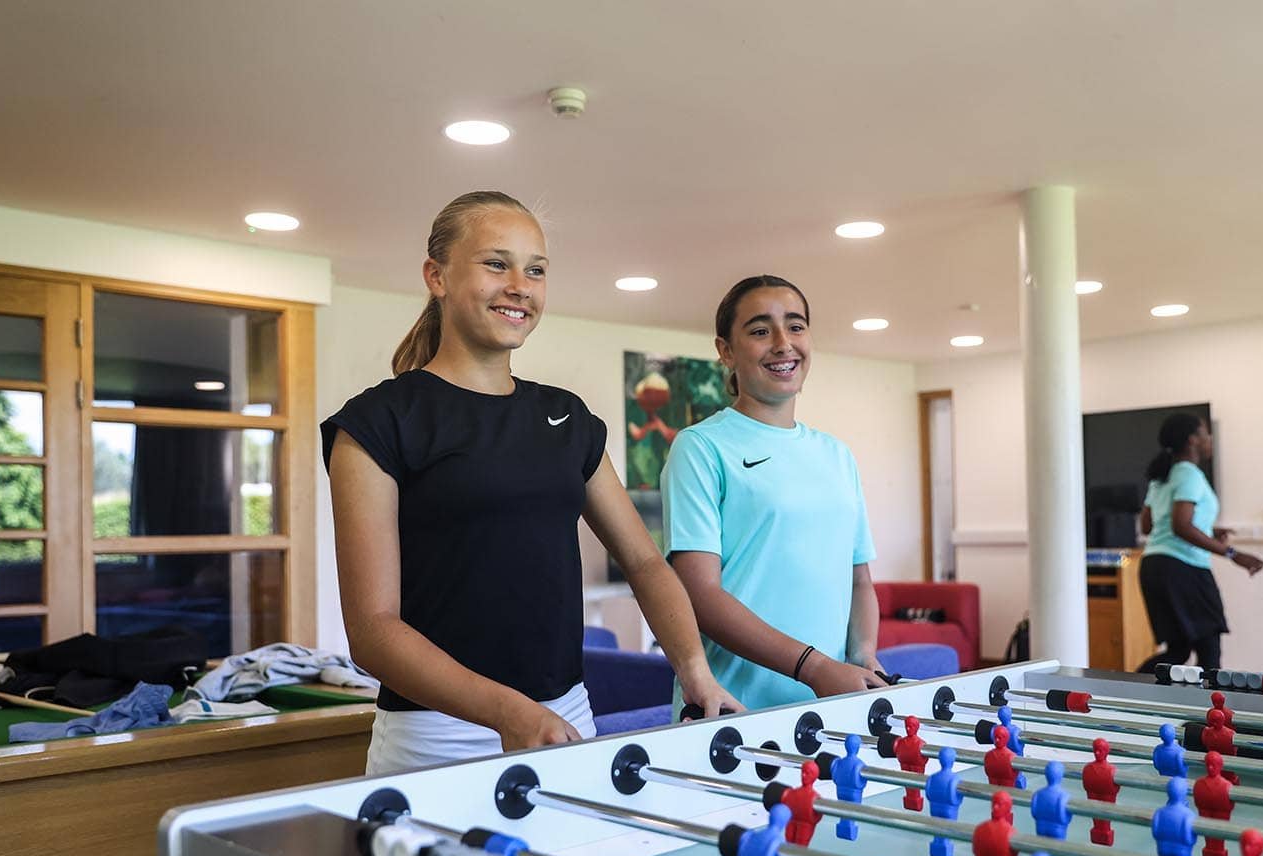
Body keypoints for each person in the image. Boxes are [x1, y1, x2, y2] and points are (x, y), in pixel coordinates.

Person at [323, 191, 741, 775]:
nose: (520, 284)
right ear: (436, 276)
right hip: (437, 740)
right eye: (497, 263)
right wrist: (508, 713)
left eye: (536, 269)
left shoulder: (568, 419)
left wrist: (695, 672)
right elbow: (373, 631)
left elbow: (645, 565)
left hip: (567, 718)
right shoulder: (378, 423)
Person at [661, 274, 886, 713]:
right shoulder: (701, 447)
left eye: (796, 326)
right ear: (726, 350)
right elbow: (701, 596)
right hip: (733, 709)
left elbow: (858, 579)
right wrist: (815, 667)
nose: (783, 343)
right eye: (761, 330)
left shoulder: (836, 454)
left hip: (830, 705)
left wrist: (863, 658)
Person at [1138, 413, 1263, 674]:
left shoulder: (1162, 477)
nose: (1210, 439)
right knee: (1209, 653)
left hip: (1154, 566)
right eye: (1205, 433)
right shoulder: (1189, 475)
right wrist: (1233, 553)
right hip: (1183, 569)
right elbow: (1181, 525)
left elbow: (1148, 525)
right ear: (1192, 440)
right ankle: (1209, 714)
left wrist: (1209, 529)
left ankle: (1128, 697)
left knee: (1178, 651)